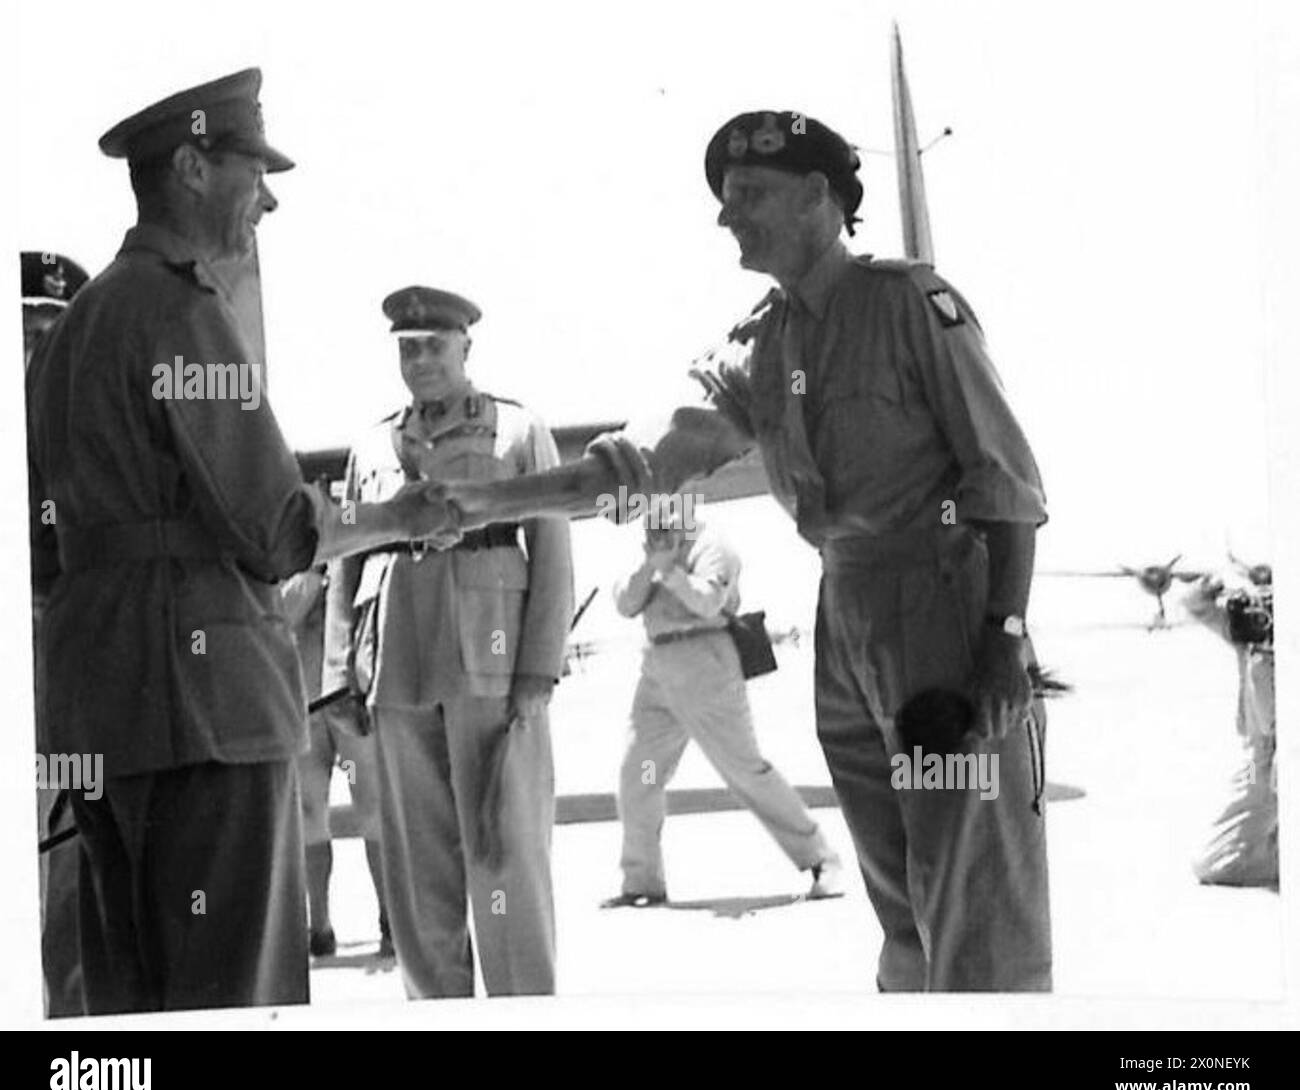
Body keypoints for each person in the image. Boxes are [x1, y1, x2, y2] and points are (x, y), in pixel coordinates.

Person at [440, 110, 1051, 991]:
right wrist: (486, 501)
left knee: (977, 907)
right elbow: (649, 458)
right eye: (725, 201)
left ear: (819, 199)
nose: (729, 217)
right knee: (903, 909)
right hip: (848, 618)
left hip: (945, 613)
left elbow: (1009, 484)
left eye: (750, 196)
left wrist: (1005, 637)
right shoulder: (762, 343)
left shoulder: (912, 305)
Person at [25, 69, 457, 1014]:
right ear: (189, 166)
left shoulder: (75, 327)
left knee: (124, 1010)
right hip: (203, 716)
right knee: (231, 996)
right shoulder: (182, 311)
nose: (265, 195)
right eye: (249, 169)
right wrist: (395, 517)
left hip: (97, 713)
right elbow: (274, 528)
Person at [322, 286, 573, 998]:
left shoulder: (517, 431)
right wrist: (339, 673)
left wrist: (537, 673)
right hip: (397, 668)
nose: (422, 359)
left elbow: (552, 550)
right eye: (409, 347)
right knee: (417, 870)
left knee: (505, 857)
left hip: (490, 667)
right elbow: (347, 556)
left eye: (435, 344)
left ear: (467, 348)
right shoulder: (373, 443)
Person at [606, 505, 840, 906]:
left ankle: (819, 858)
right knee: (639, 773)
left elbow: (709, 602)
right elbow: (626, 603)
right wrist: (650, 565)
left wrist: (671, 573)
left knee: (743, 769)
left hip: (705, 664)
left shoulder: (713, 546)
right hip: (657, 669)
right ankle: (641, 880)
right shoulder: (652, 546)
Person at [23, 249, 91, 1017]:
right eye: (22, 329)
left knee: (74, 851)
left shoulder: (96, 426)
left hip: (76, 650)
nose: (36, 345)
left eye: (51, 328)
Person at [280, 565, 391, 957]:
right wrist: (311, 580)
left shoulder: (353, 514)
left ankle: (388, 919)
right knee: (309, 811)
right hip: (303, 695)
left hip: (350, 691)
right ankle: (319, 925)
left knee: (373, 806)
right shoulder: (284, 534)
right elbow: (279, 610)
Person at [1183, 573, 1277, 889]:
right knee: (1211, 860)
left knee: (1216, 862)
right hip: (1258, 759)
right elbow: (1196, 606)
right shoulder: (1249, 637)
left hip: (1279, 757)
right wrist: (1208, 587)